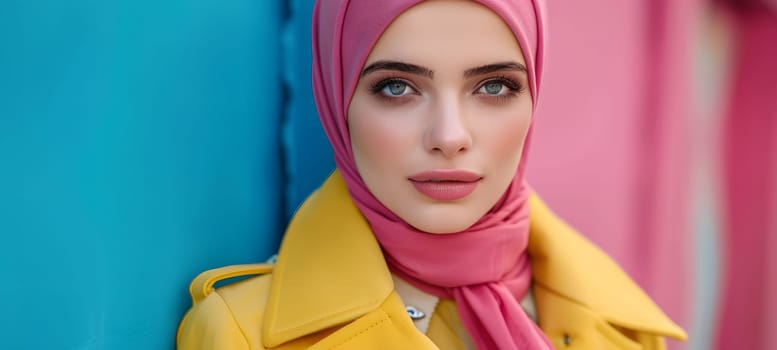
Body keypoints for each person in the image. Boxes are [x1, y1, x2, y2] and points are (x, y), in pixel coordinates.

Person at [176, 0, 687, 349]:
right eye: (397, 87)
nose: (449, 135)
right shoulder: (241, 335)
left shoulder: (617, 323)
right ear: (336, 98)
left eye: (494, 87)